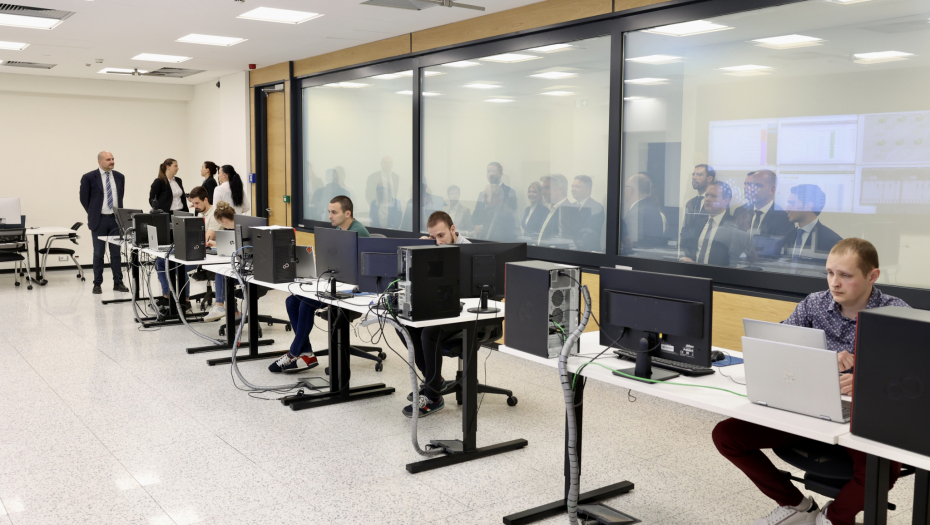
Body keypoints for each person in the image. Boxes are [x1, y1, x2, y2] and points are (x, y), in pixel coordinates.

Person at [713, 238, 909, 525]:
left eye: (846, 275)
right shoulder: (814, 304)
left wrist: (867, 380)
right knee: (726, 435)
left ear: (873, 276)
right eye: (830, 273)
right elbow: (777, 346)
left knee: (882, 469)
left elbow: (914, 376)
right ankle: (797, 506)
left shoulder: (896, 313)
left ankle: (832, 518)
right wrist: (822, 360)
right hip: (809, 406)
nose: (834, 283)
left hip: (862, 414)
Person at [269, 196, 370, 373]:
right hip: (335, 283)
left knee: (306, 304)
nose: (330, 216)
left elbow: (355, 268)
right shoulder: (339, 230)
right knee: (292, 301)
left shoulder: (357, 232)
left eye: (334, 212)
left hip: (353, 290)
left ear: (347, 213)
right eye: (329, 212)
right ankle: (306, 352)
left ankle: (294, 353)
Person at [402, 211, 472, 418]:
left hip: (466, 314)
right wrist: (422, 253)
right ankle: (434, 380)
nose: (438, 242)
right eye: (433, 237)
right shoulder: (434, 249)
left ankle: (433, 396)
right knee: (405, 325)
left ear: (453, 229)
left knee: (428, 332)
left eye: (441, 235)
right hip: (441, 309)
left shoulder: (468, 251)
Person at [79, 151, 129, 295]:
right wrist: (94, 212)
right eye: (108, 159)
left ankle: (118, 282)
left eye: (112, 159)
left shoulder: (119, 177)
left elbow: (120, 196)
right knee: (98, 253)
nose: (112, 161)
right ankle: (97, 283)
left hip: (115, 220)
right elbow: (84, 198)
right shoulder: (89, 177)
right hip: (99, 220)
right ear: (100, 162)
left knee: (116, 254)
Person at [679, 181, 751, 267]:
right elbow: (690, 248)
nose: (707, 199)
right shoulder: (699, 222)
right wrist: (684, 259)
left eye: (713, 196)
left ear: (726, 201)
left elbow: (740, 259)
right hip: (696, 272)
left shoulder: (735, 226)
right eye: (706, 195)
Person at [784, 184, 842, 263]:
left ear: (809, 205)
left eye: (793, 204)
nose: (787, 208)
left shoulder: (832, 241)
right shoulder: (788, 236)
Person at [203, 201, 239, 322]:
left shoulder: (241, 229)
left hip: (249, 271)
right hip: (239, 266)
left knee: (222, 273)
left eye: (220, 223)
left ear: (224, 220)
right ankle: (234, 313)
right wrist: (216, 244)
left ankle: (220, 306)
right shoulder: (236, 227)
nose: (221, 225)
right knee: (223, 274)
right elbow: (234, 246)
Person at [733, 170, 793, 240]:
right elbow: (734, 242)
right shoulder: (740, 211)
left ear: (772, 190)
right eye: (751, 185)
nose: (752, 189)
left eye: (758, 185)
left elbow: (778, 245)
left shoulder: (783, 218)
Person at [622, 173, 665, 250]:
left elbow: (631, 245)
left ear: (630, 190)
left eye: (626, 186)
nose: (623, 189)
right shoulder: (652, 208)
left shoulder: (636, 214)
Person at [570, 175, 605, 251]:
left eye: (577, 187)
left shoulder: (596, 206)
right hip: (571, 249)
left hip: (588, 251)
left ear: (588, 190)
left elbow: (588, 231)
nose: (573, 189)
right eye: (572, 186)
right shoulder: (570, 206)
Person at [537, 174, 572, 244]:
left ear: (560, 190)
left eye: (547, 188)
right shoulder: (549, 210)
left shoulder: (569, 211)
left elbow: (566, 242)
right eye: (543, 188)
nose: (543, 192)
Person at [683, 164, 715, 231]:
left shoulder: (715, 202)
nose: (693, 177)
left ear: (709, 178)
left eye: (699, 174)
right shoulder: (690, 203)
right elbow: (685, 229)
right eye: (693, 174)